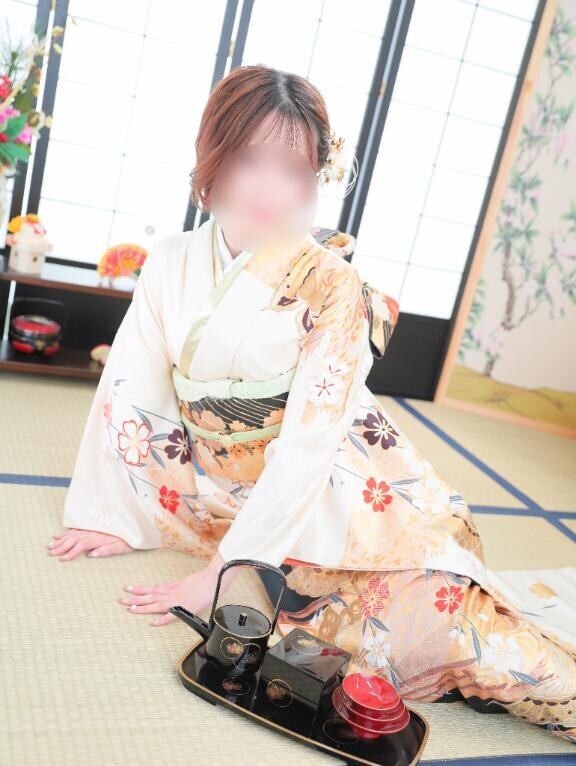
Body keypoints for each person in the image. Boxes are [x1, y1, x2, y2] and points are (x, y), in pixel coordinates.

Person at [48, 64, 576, 743]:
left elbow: (308, 445)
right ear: (213, 159)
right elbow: (133, 392)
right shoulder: (172, 263)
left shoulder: (333, 286)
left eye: (294, 170)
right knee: (314, 642)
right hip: (239, 501)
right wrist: (118, 515)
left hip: (346, 493)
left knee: (446, 633)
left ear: (315, 179)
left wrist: (223, 574)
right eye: (250, 160)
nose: (271, 190)